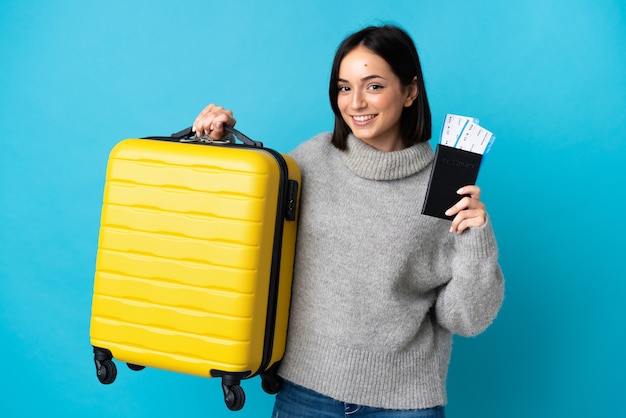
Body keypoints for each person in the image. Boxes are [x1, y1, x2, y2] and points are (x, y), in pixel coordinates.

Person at [193, 24, 504, 418]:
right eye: (344, 87)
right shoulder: (311, 161)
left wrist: (477, 239)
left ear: (410, 91)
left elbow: (466, 319)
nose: (355, 102)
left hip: (405, 404)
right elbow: (239, 233)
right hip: (304, 393)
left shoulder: (445, 187)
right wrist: (216, 147)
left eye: (373, 86)